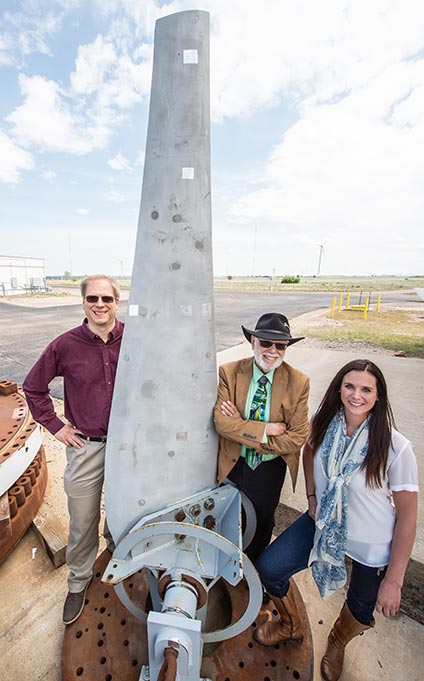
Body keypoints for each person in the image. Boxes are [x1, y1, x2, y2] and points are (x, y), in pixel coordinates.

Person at [254, 359, 418, 681]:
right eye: (350, 386)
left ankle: (337, 642)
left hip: (370, 543)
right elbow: (309, 451)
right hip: (324, 523)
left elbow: (408, 517)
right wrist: (312, 498)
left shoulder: (396, 449)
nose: (356, 395)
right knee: (270, 568)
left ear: (378, 396)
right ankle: (290, 623)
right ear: (339, 388)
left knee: (361, 607)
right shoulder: (324, 422)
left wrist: (394, 580)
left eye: (366, 389)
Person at [23, 274, 123, 625]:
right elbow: (33, 388)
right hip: (86, 447)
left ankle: (115, 554)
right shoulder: (65, 345)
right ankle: (79, 582)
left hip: (128, 446)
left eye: (106, 299)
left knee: (126, 508)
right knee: (83, 520)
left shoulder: (134, 339)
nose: (100, 305)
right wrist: (57, 427)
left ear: (116, 302)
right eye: (93, 298)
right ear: (82, 302)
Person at [213, 312, 310, 562]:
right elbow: (222, 423)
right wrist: (265, 429)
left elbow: (296, 438)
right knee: (225, 520)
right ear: (253, 341)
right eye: (266, 342)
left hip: (268, 468)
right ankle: (224, 572)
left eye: (280, 345)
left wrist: (242, 427)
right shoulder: (230, 372)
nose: (273, 351)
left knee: (261, 524)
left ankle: (252, 575)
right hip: (234, 463)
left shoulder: (298, 382)